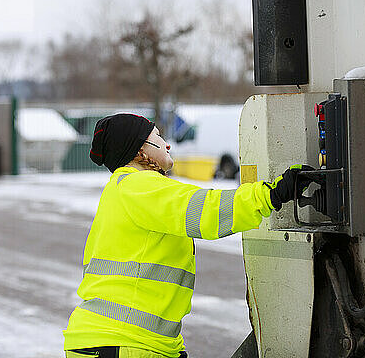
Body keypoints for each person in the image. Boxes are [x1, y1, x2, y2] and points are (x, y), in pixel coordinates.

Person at [63, 113, 309, 358]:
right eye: (158, 137)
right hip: (121, 341)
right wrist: (271, 194)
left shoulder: (127, 191)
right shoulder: (137, 186)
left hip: (124, 341)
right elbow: (206, 209)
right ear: (139, 150)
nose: (167, 143)